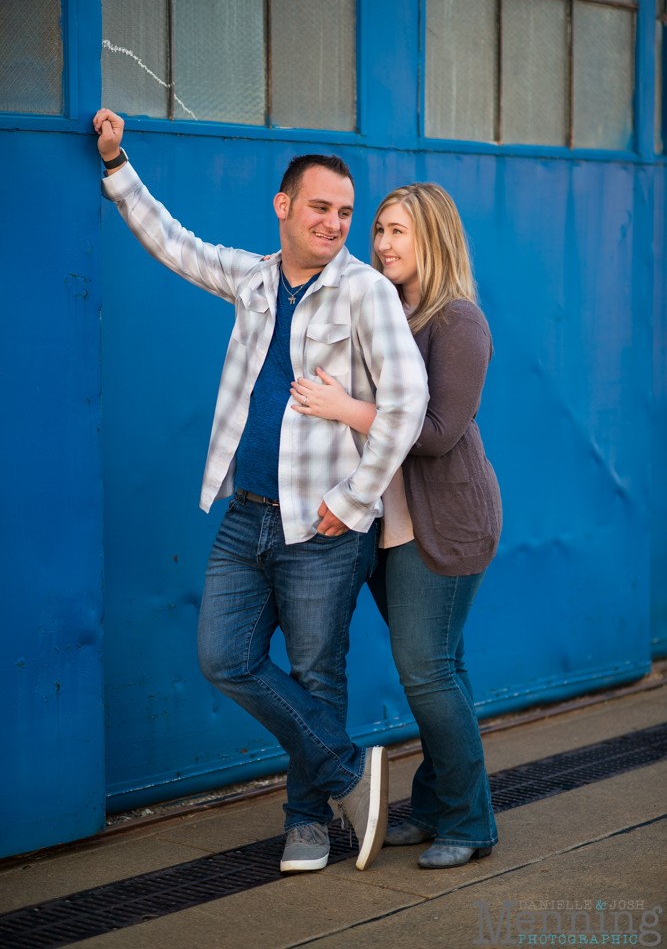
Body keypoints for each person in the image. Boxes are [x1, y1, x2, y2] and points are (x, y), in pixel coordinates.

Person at [93, 109, 429, 873]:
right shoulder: (252, 279)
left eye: (345, 212)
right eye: (320, 208)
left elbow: (408, 406)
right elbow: (176, 246)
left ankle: (307, 824)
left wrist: (352, 502)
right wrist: (118, 169)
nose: (335, 223)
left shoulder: (365, 293)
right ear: (284, 207)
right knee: (223, 657)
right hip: (245, 518)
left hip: (324, 526)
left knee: (317, 673)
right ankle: (349, 773)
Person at [289, 182, 501, 869]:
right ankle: (439, 805)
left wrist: (343, 407)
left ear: (431, 238)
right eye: (377, 229)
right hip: (387, 525)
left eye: (396, 232)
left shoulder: (456, 322)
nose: (380, 243)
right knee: (442, 668)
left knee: (427, 671)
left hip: (444, 523)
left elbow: (437, 434)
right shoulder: (388, 315)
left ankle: (470, 824)